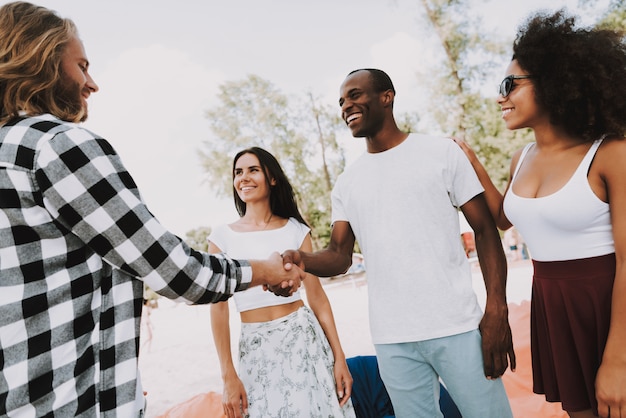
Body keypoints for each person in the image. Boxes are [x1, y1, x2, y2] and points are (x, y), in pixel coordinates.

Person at [0, 3, 304, 417]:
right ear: (44, 61)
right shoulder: (56, 147)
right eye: (82, 66)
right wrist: (265, 271)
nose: (92, 83)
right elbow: (173, 269)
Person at [283, 68, 515, 418]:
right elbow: (339, 256)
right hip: (392, 339)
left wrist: (497, 308)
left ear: (387, 97)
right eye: (342, 101)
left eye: (356, 95)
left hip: (457, 326)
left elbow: (485, 230)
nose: (346, 106)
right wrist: (302, 259)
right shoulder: (347, 182)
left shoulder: (441, 152)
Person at [452, 10, 626, 418]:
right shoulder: (521, 157)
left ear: (554, 82)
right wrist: (472, 163)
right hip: (554, 305)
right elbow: (503, 217)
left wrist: (618, 360)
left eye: (510, 85)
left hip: (607, 304)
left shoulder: (611, 153)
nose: (501, 96)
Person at [209, 147, 355, 418]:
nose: (244, 178)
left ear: (272, 178)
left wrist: (339, 357)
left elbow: (317, 297)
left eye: (253, 170)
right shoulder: (222, 237)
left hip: (305, 342)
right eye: (238, 172)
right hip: (256, 350)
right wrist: (228, 374)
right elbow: (218, 309)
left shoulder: (296, 230)